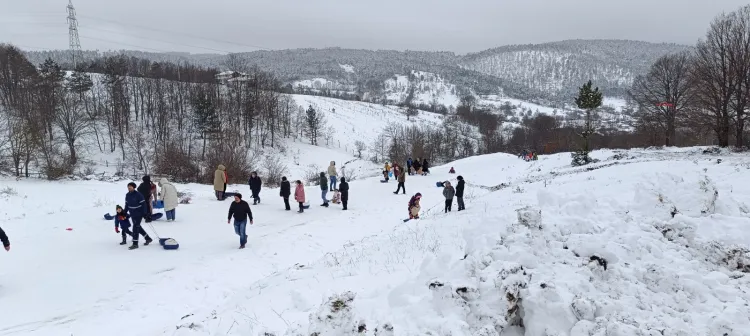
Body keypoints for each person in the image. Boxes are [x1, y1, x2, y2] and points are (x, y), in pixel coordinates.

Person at [125, 182, 153, 250]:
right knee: (138, 227)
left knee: (135, 228)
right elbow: (127, 204)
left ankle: (135, 244)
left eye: (131, 186)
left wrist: (145, 214)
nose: (129, 187)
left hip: (138, 213)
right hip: (132, 213)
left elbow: (143, 205)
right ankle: (148, 238)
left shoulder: (138, 195)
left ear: (134, 187)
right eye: (128, 186)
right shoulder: (127, 195)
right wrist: (124, 212)